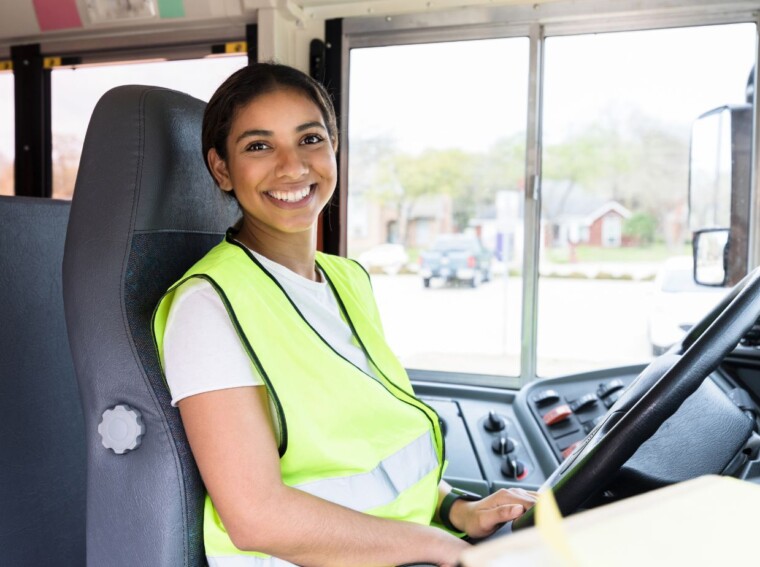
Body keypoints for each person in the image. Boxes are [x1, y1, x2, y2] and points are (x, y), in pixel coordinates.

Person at [152, 62, 536, 567]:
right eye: (259, 146)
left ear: (335, 148)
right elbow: (255, 516)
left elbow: (368, 446)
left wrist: (455, 510)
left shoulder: (347, 280)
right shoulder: (207, 306)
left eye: (309, 139)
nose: (292, 166)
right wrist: (438, 546)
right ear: (222, 169)